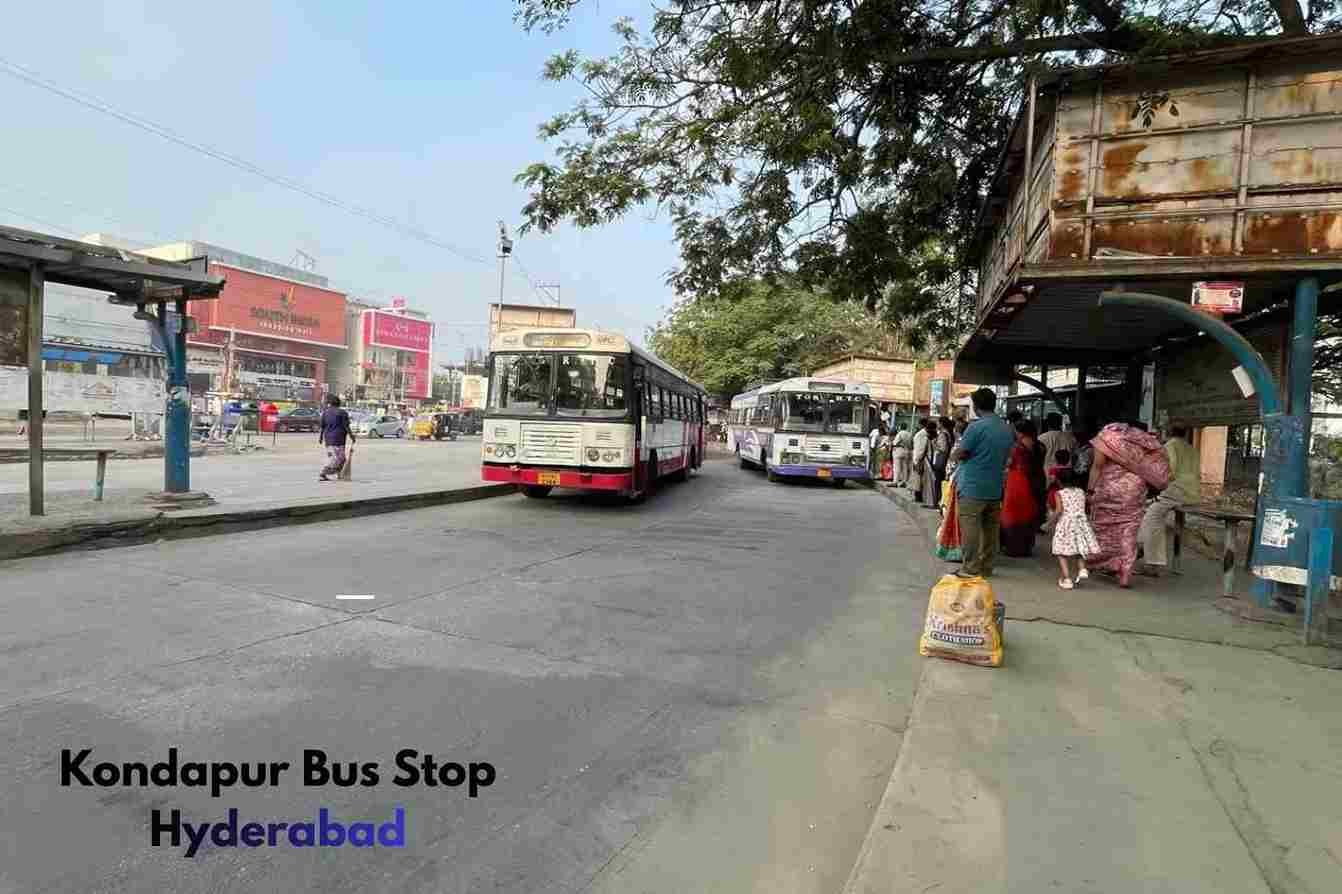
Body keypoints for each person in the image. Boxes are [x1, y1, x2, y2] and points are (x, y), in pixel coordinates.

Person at [1087, 422, 1171, 587]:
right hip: (1135, 490)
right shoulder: (1143, 441)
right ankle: (1125, 574)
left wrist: (1090, 491)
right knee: (1128, 532)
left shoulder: (1106, 437)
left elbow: (1097, 466)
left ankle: (1100, 562)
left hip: (1109, 489)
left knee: (1104, 528)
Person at [951, 389, 1016, 578]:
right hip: (995, 487)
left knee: (970, 528)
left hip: (972, 486)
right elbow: (1008, 457)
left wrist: (957, 455)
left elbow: (961, 453)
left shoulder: (976, 427)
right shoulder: (1005, 428)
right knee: (990, 530)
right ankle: (987, 566)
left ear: (977, 406)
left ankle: (970, 567)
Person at [1137, 424, 1202, 576]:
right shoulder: (1191, 448)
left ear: (1167, 433)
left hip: (1176, 490)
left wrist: (1155, 485)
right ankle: (1148, 554)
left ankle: (1151, 562)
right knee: (1155, 515)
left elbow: (1169, 472)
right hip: (1192, 492)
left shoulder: (1169, 446)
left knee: (1151, 518)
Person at [1000, 419, 1046, 556]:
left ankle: (1013, 547)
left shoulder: (1017, 448)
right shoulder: (1040, 446)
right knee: (1029, 514)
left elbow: (1009, 463)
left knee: (1013, 515)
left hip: (1018, 482)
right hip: (1036, 480)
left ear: (1020, 432)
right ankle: (1026, 547)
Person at [1051, 469, 1100, 589]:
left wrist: (1050, 521)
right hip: (1080, 523)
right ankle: (1082, 569)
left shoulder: (1059, 493)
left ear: (1059, 481)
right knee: (1079, 548)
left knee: (1061, 551)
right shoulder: (1081, 492)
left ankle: (1067, 579)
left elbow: (1059, 511)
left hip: (1066, 523)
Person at [318, 394, 356, 481]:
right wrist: (351, 436)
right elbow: (346, 426)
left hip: (329, 440)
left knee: (340, 458)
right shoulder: (342, 413)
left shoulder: (325, 413)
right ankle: (323, 473)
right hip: (339, 439)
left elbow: (322, 427)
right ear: (339, 403)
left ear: (330, 403)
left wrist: (320, 438)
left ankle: (340, 474)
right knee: (337, 458)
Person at [924, 417, 953, 509]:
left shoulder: (942, 434)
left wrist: (934, 443)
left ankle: (936, 502)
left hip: (940, 461)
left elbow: (943, 448)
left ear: (942, 424)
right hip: (944, 461)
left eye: (939, 423)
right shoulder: (948, 433)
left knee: (937, 482)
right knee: (940, 482)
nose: (938, 425)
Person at [909, 420, 929, 495]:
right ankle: (918, 494)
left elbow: (920, 448)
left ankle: (918, 495)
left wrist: (916, 460)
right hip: (920, 458)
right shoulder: (922, 434)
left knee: (918, 479)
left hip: (919, 458)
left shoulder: (921, 434)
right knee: (918, 479)